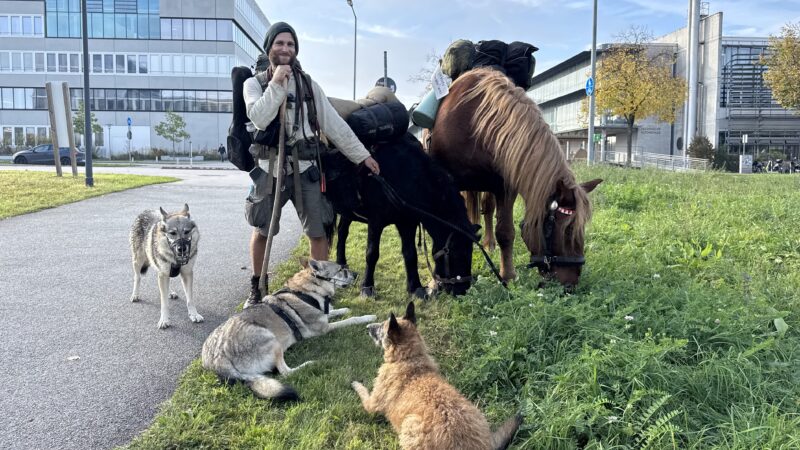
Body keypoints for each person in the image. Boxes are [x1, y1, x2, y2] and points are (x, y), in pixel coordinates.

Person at [243, 22, 380, 305]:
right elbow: (259, 117)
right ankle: (257, 288)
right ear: (269, 47)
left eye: (290, 44)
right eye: (280, 43)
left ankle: (319, 291)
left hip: (306, 170)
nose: (285, 49)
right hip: (271, 172)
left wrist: (362, 156)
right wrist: (277, 84)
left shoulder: (309, 85)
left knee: (318, 231)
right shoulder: (253, 84)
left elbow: (334, 124)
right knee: (262, 230)